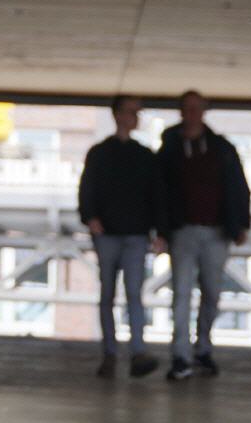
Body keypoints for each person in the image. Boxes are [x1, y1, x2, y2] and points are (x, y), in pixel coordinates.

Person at [157, 90, 251, 381]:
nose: (192, 113)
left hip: (216, 231)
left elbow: (238, 186)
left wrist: (240, 224)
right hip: (182, 231)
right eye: (188, 108)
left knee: (212, 293)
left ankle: (203, 348)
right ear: (182, 112)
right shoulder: (169, 149)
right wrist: (161, 231)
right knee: (181, 295)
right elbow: (158, 192)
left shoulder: (221, 148)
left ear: (204, 111)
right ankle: (181, 356)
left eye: (197, 108)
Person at [76, 94, 163, 378]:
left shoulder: (144, 156)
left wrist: (157, 231)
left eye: (137, 112)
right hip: (111, 234)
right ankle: (111, 353)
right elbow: (87, 189)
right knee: (109, 295)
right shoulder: (100, 153)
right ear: (117, 115)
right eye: (130, 112)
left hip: (135, 234)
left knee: (133, 294)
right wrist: (91, 218)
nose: (134, 117)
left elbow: (155, 196)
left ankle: (136, 351)